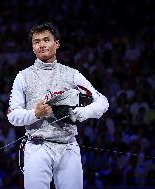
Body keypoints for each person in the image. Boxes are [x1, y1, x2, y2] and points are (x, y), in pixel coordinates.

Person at [7, 22, 109, 189]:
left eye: (46, 40)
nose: (41, 45)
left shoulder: (72, 74)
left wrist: (79, 113)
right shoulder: (22, 76)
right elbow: (13, 116)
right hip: (36, 147)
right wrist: (35, 113)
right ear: (33, 47)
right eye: (37, 41)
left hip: (68, 147)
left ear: (57, 43)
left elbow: (102, 102)